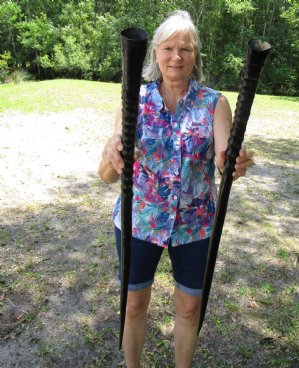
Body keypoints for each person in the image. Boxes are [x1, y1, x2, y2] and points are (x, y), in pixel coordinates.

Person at [98, 10, 254, 368]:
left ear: (195, 55)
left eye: (185, 48)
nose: (176, 56)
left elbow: (224, 158)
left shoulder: (214, 103)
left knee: (188, 307)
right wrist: (111, 152)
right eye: (168, 47)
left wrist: (233, 162)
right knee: (134, 303)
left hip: (195, 225)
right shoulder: (133, 101)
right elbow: (108, 176)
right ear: (155, 53)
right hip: (140, 220)